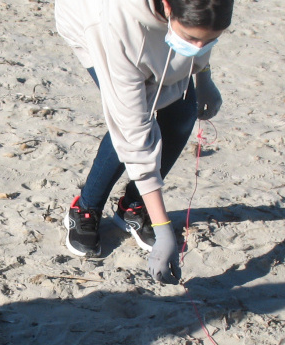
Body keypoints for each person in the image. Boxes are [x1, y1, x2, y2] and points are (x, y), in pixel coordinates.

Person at [55, 0, 233, 283]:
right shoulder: (113, 27)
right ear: (167, 5)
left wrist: (204, 77)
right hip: (96, 21)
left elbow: (200, 34)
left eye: (210, 40)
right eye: (190, 38)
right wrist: (163, 229)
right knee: (131, 121)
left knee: (183, 111)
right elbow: (133, 132)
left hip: (155, 32)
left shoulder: (200, 13)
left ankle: (134, 206)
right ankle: (85, 207)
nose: (199, 47)